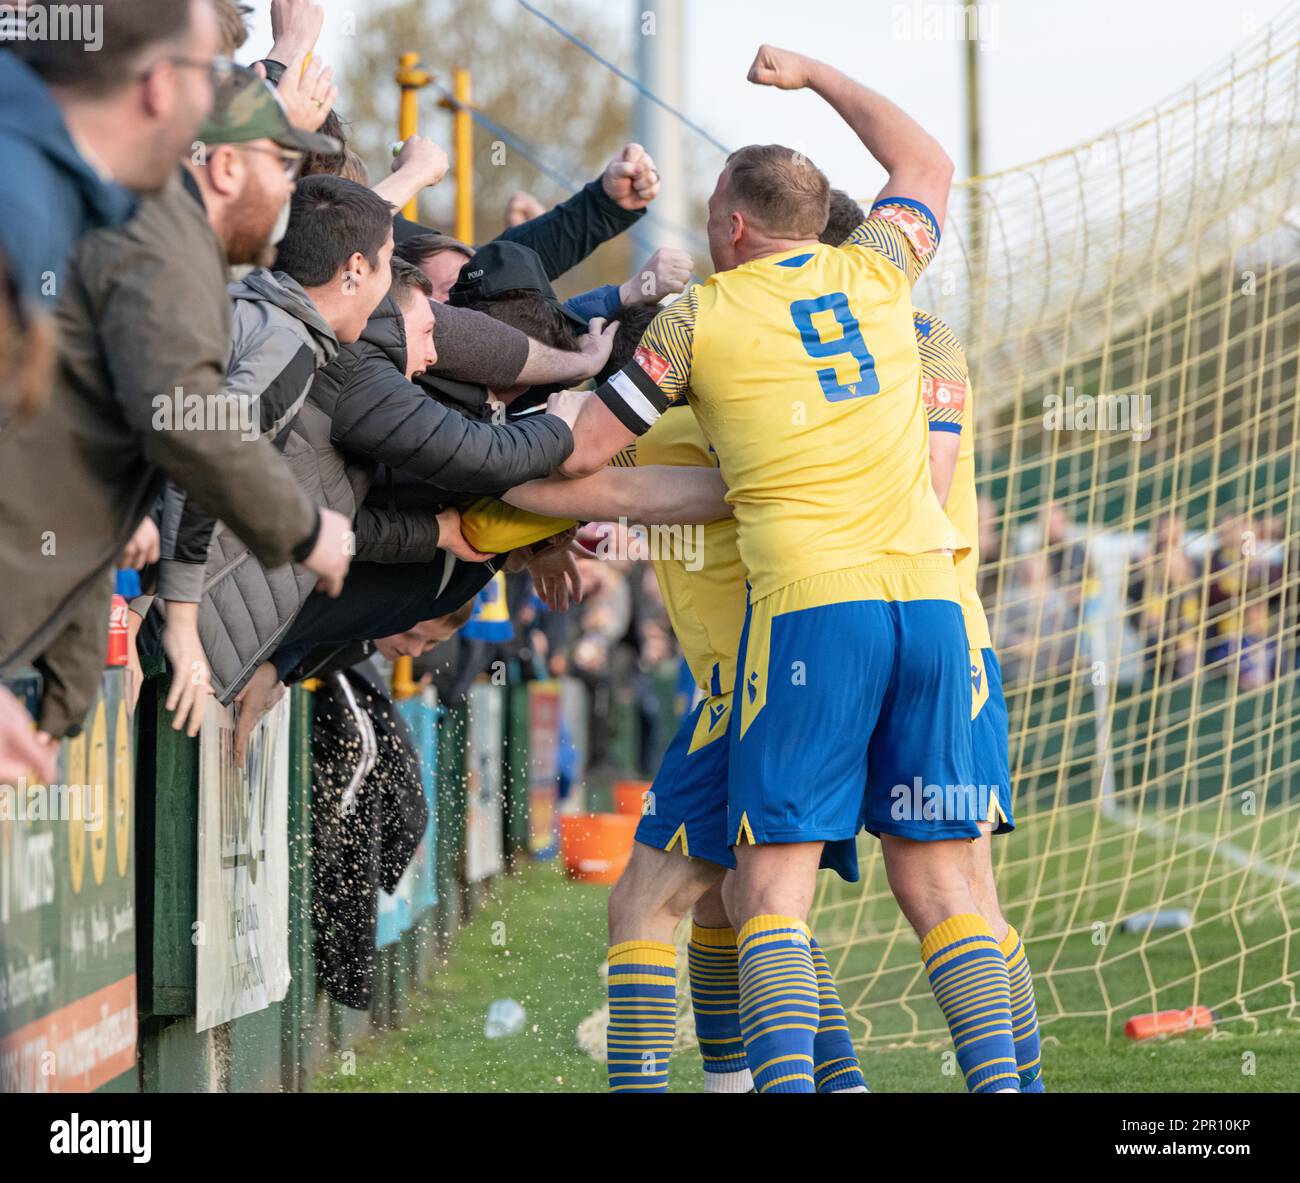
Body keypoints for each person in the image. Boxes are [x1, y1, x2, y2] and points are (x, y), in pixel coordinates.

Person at [555, 44, 1024, 1095]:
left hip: (805, 623)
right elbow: (927, 165)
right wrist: (816, 75)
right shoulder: (894, 295)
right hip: (938, 611)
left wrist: (534, 500)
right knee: (952, 891)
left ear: (729, 227)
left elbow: (588, 453)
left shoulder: (696, 326)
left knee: (755, 893)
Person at [0, 65, 350, 744]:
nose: (290, 188)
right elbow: (191, 421)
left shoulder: (172, 241)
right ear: (224, 165)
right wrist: (305, 530)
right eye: (282, 164)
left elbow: (93, 478)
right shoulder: (166, 246)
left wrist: (65, 702)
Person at [0, 0, 220, 307]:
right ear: (163, 85)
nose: (212, 102)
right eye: (209, 74)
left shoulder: (43, 183)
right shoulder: (17, 220)